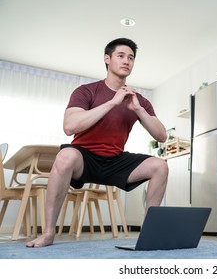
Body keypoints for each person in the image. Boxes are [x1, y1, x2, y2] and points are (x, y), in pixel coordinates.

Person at [26, 38, 168, 248]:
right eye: (121, 56)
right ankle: (48, 233)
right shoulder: (87, 91)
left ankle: (149, 234)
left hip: (115, 161)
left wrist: (139, 110)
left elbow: (161, 135)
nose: (126, 61)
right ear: (107, 59)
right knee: (65, 156)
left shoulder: (139, 100)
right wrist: (112, 103)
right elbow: (69, 126)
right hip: (84, 158)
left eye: (131, 57)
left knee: (160, 166)